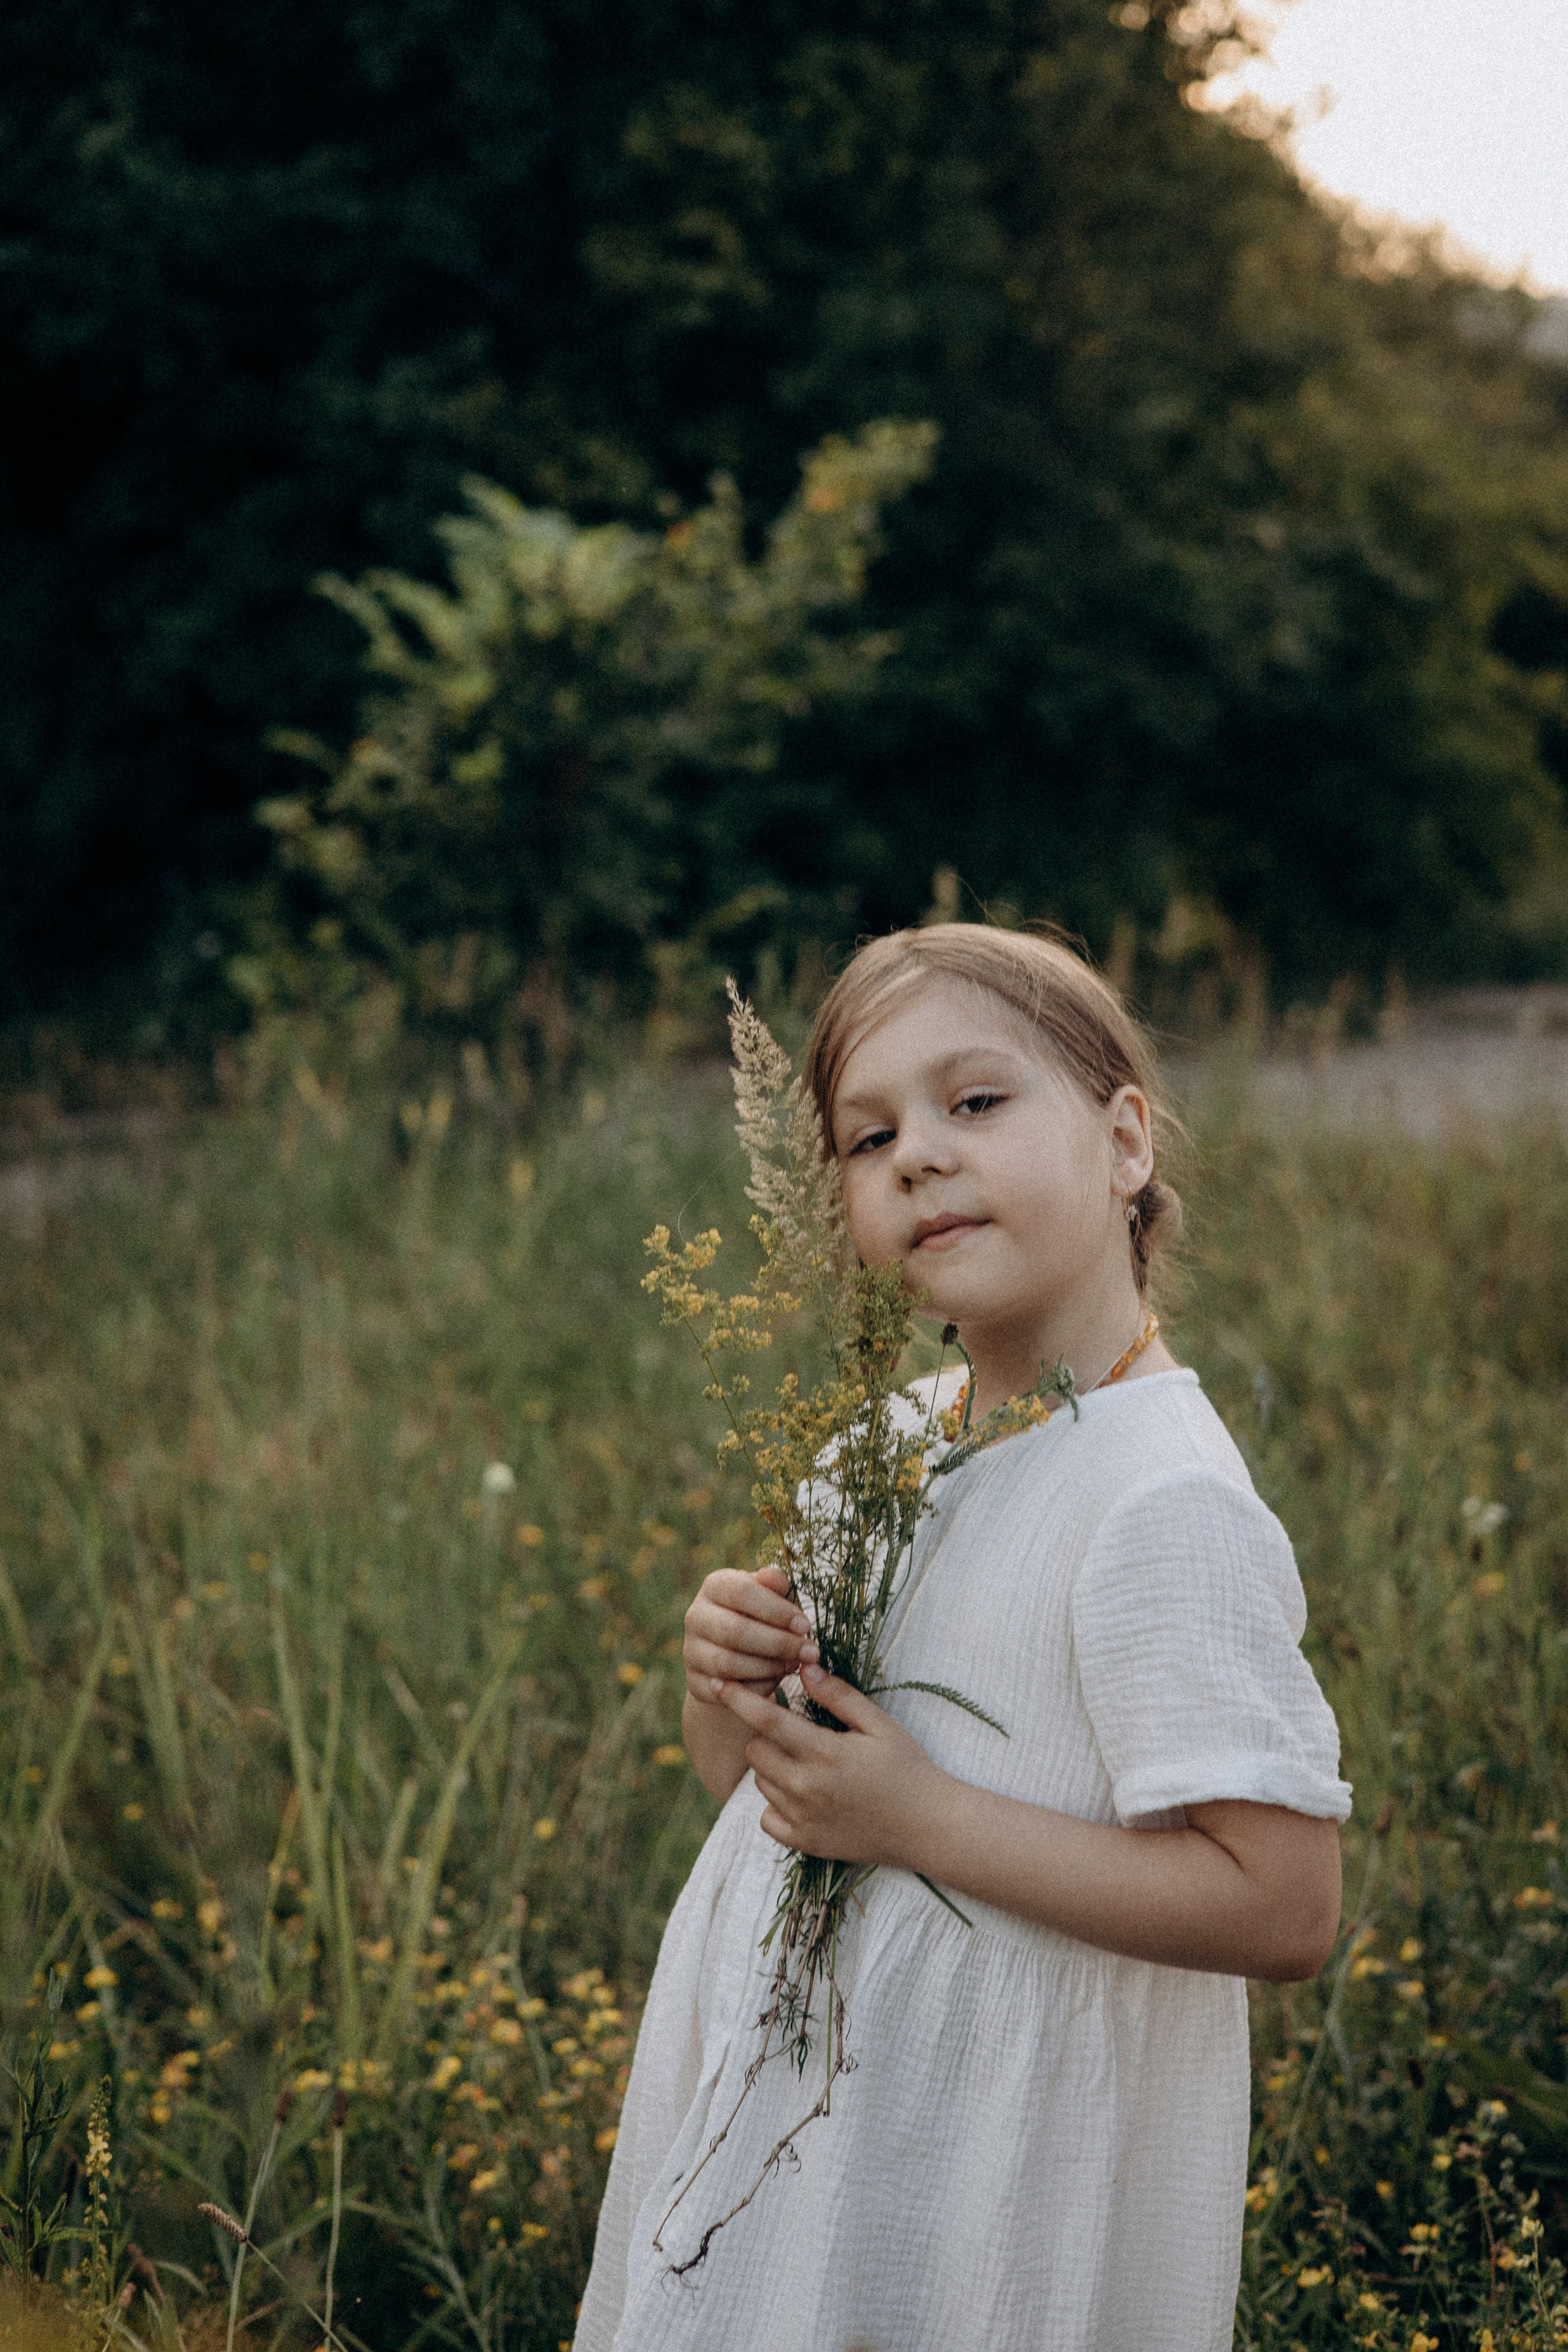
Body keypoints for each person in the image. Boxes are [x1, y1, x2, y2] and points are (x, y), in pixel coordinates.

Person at [575, 923, 1349, 2352]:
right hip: (797, 2127)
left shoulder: (1156, 1497)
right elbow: (773, 1801)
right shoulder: (878, 1447)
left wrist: (920, 1816)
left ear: (1124, 1141)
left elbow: (1283, 1903)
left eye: (974, 1103)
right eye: (866, 1139)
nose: (916, 1156)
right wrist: (727, 1684)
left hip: (987, 2174)